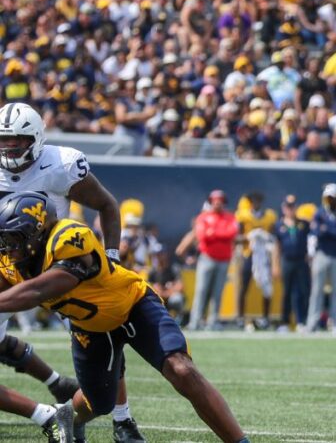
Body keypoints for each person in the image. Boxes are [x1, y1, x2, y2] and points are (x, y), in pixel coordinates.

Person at [0, 192, 250, 443]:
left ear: (38, 231)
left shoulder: (68, 236)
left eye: (14, 238)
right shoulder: (9, 263)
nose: (8, 247)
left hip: (134, 305)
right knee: (97, 402)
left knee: (182, 370)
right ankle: (66, 416)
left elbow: (40, 289)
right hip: (90, 328)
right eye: (4, 239)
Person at [0, 102, 143, 443]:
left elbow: (107, 204)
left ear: (34, 139)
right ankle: (51, 403)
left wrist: (110, 255)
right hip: (5, 268)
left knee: (105, 337)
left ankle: (122, 419)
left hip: (57, 271)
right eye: (3, 141)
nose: (8, 148)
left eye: (15, 141)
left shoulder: (59, 164)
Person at [187, 190, 238, 332]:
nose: (217, 202)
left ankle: (213, 321)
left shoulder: (230, 217)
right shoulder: (203, 218)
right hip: (207, 258)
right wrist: (220, 234)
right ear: (210, 201)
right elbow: (202, 235)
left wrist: (214, 233)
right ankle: (195, 321)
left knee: (218, 292)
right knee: (202, 290)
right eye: (215, 200)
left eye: (220, 200)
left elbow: (231, 233)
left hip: (224, 260)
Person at [306, 183, 336, 333]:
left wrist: (328, 230)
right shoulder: (319, 213)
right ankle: (312, 322)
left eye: (333, 198)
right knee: (317, 290)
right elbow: (318, 232)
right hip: (322, 254)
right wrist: (333, 231)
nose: (330, 201)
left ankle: (335, 323)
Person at [235, 192, 278, 331]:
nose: (256, 203)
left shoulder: (269, 216)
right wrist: (249, 236)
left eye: (258, 200)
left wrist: (264, 236)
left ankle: (266, 317)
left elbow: (273, 237)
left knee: (266, 286)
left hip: (264, 256)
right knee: (244, 286)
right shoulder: (244, 216)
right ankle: (240, 317)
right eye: (253, 201)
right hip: (249, 254)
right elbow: (238, 238)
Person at [273, 195, 312, 331]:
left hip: (301, 261)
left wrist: (310, 258)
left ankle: (302, 321)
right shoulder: (279, 225)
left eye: (293, 206)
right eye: (288, 207)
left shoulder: (304, 224)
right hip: (287, 261)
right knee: (287, 292)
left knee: (303, 291)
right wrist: (276, 265)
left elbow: (311, 242)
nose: (290, 209)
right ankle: (285, 322)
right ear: (284, 208)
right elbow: (277, 247)